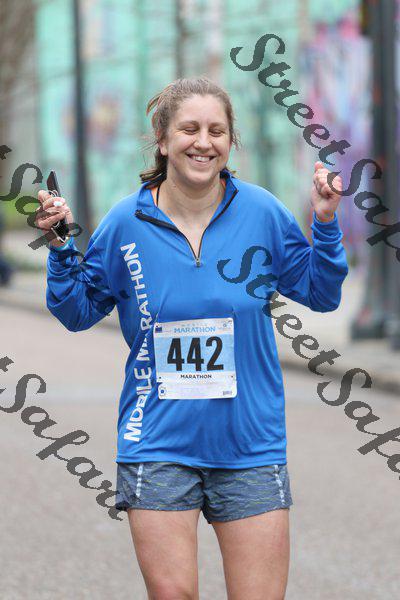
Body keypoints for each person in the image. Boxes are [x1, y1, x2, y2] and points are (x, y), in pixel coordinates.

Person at [35, 76, 348, 600]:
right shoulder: (126, 222)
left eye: (216, 131)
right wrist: (62, 247)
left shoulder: (263, 214)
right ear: (162, 140)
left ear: (230, 142)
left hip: (249, 443)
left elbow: (320, 292)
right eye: (189, 129)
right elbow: (77, 311)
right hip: (158, 441)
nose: (203, 142)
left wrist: (326, 222)